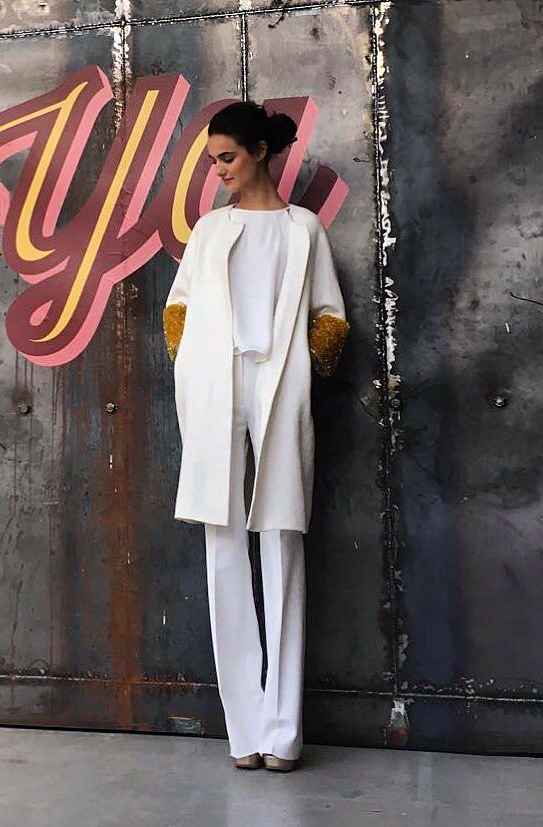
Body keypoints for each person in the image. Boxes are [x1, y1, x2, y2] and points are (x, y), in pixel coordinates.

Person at [162, 101, 349, 772]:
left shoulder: (304, 228)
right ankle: (244, 731)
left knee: (282, 541)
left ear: (260, 152)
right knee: (222, 541)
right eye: (214, 159)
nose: (218, 171)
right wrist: (190, 365)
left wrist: (306, 370)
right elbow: (179, 305)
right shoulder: (210, 230)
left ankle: (283, 731)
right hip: (215, 386)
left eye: (227, 158)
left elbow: (330, 313)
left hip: (280, 384)